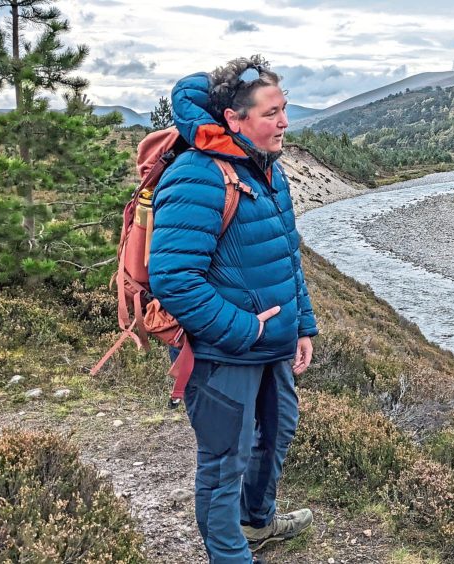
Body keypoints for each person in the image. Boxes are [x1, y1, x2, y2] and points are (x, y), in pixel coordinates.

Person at [148, 55, 317, 564]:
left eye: (284, 109)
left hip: (274, 345)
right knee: (225, 459)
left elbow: (289, 254)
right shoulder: (196, 177)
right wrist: (242, 329)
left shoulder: (269, 170)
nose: (284, 122)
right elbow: (174, 279)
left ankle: (257, 523)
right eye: (271, 113)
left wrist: (302, 325)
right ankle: (229, 554)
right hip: (225, 354)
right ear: (233, 119)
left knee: (277, 433)